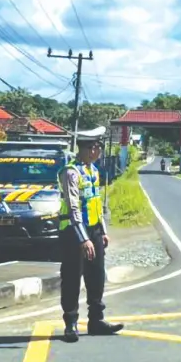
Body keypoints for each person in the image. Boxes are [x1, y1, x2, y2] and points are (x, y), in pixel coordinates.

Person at [59, 127, 124, 343]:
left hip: (94, 230)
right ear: (88, 149)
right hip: (74, 232)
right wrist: (83, 238)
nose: (99, 151)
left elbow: (96, 202)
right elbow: (74, 207)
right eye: (96, 147)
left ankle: (96, 320)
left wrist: (102, 231)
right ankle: (71, 323)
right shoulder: (71, 172)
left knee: (96, 276)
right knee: (72, 278)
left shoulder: (93, 171)